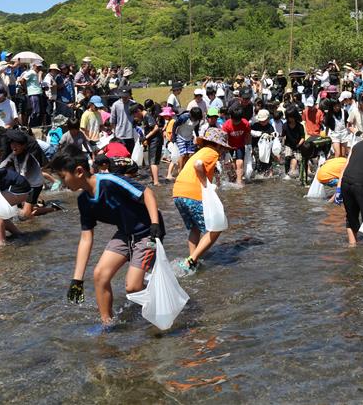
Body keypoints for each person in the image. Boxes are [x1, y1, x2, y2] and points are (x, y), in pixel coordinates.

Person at [51, 144, 165, 328]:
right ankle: (107, 324)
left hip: (148, 232)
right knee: (99, 275)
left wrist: (155, 225)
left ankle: (161, 308)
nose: (62, 183)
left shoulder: (110, 181)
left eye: (63, 177)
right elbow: (86, 239)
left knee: (133, 286)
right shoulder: (83, 201)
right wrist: (77, 279)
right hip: (126, 233)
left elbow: (147, 193)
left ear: (79, 171)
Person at [171, 128, 233, 275]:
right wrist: (206, 184)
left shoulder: (199, 151)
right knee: (216, 228)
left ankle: (193, 262)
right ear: (217, 145)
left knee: (195, 228)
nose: (223, 150)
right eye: (223, 147)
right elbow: (198, 165)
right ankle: (191, 260)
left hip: (178, 192)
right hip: (193, 193)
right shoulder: (212, 152)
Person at [221, 106, 250, 185]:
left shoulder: (245, 123)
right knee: (230, 165)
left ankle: (239, 181)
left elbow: (248, 135)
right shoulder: (226, 125)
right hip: (229, 146)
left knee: (239, 163)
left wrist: (249, 146)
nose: (236, 123)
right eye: (235, 121)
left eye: (238, 121)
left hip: (240, 145)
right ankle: (232, 178)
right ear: (231, 117)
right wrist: (226, 151)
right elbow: (224, 139)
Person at [109, 86, 136, 152]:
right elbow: (112, 121)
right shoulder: (115, 105)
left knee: (132, 154)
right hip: (119, 135)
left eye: (126, 96)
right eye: (122, 96)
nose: (124, 98)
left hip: (131, 134)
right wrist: (114, 133)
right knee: (121, 154)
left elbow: (137, 117)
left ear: (130, 95)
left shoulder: (133, 104)